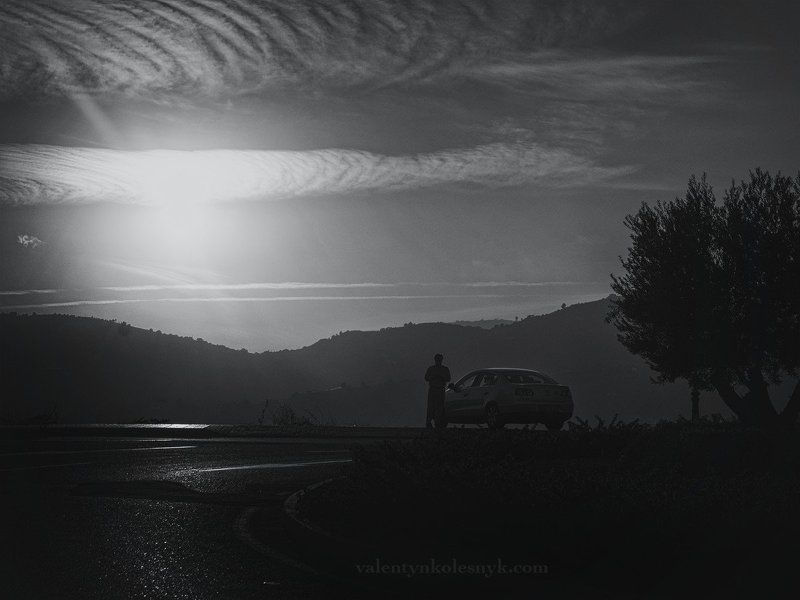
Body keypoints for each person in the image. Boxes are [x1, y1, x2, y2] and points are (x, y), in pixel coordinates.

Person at [425, 353, 451, 429]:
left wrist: (442, 377)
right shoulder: (431, 369)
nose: (438, 361)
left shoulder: (445, 369)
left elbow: (448, 378)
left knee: (439, 407)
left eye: (439, 360)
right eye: (437, 359)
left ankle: (438, 422)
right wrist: (433, 377)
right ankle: (429, 422)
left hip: (440, 390)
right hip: (433, 389)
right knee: (431, 406)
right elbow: (426, 378)